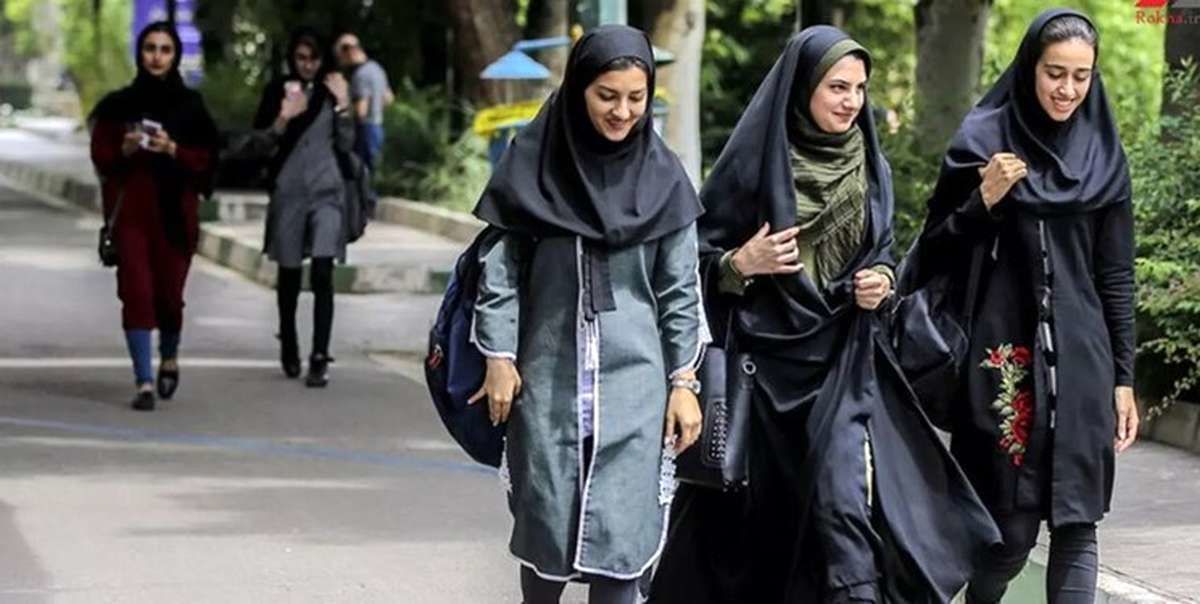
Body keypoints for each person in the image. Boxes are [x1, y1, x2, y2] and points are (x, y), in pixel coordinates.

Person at [649, 26, 999, 603]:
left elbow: (882, 251)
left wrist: (881, 280)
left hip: (843, 363)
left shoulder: (871, 166)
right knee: (746, 535)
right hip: (763, 375)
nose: (851, 101)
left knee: (843, 511)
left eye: (859, 88)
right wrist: (741, 263)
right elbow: (691, 265)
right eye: (837, 87)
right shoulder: (753, 166)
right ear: (802, 87)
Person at [470, 25, 708, 604]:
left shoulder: (663, 178)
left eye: (636, 97)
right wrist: (499, 356)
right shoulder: (534, 166)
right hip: (547, 387)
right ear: (579, 88)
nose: (622, 112)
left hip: (637, 394)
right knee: (546, 540)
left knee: (623, 553)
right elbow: (500, 273)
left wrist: (684, 384)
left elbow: (680, 291)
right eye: (607, 96)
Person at [908, 10, 1138, 603]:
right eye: (1055, 73)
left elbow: (1115, 276)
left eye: (1081, 76)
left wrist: (1123, 378)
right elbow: (931, 255)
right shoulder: (982, 142)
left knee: (1078, 526)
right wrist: (982, 200)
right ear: (1029, 68)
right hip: (1002, 368)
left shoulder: (1103, 155)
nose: (1067, 89)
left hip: (1083, 369)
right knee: (1008, 539)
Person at [89, 21, 218, 411]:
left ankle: (170, 357)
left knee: (169, 297)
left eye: (165, 49)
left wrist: (173, 149)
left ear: (175, 55)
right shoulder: (117, 106)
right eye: (150, 48)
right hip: (132, 216)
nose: (157, 57)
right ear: (139, 53)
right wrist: (126, 149)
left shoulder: (191, 107)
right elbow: (101, 157)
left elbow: (209, 160)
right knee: (137, 293)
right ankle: (144, 380)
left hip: (175, 217)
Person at [253, 28, 355, 387]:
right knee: (290, 272)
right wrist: (284, 117)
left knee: (324, 271)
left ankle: (320, 355)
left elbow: (348, 143)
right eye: (301, 58)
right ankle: (289, 340)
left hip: (328, 192)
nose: (307, 65)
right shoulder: (278, 90)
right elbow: (261, 143)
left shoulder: (332, 90)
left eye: (313, 58)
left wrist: (343, 105)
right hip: (289, 193)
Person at [334, 32, 393, 169]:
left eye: (340, 57)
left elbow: (361, 111)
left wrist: (341, 110)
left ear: (348, 51)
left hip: (365, 131)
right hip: (378, 128)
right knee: (373, 172)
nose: (341, 62)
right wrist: (376, 109)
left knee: (361, 173)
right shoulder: (377, 68)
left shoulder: (360, 75)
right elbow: (389, 98)